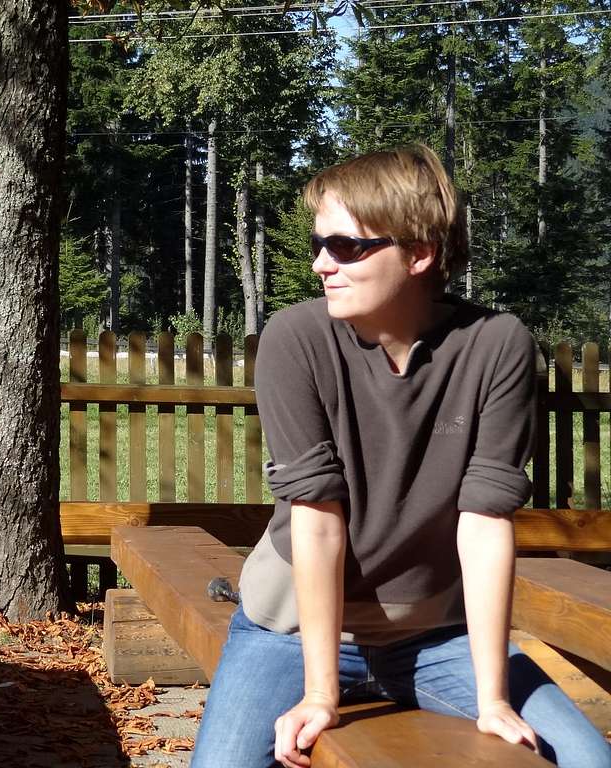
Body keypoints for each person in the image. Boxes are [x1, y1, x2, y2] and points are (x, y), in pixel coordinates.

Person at [190, 145, 611, 768]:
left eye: (347, 246)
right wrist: (319, 692)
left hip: (437, 638)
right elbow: (316, 516)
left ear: (419, 253)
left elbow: (487, 521)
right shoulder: (296, 339)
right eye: (318, 244)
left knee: (585, 758)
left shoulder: (497, 345)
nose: (320, 264)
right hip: (289, 633)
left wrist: (493, 698)